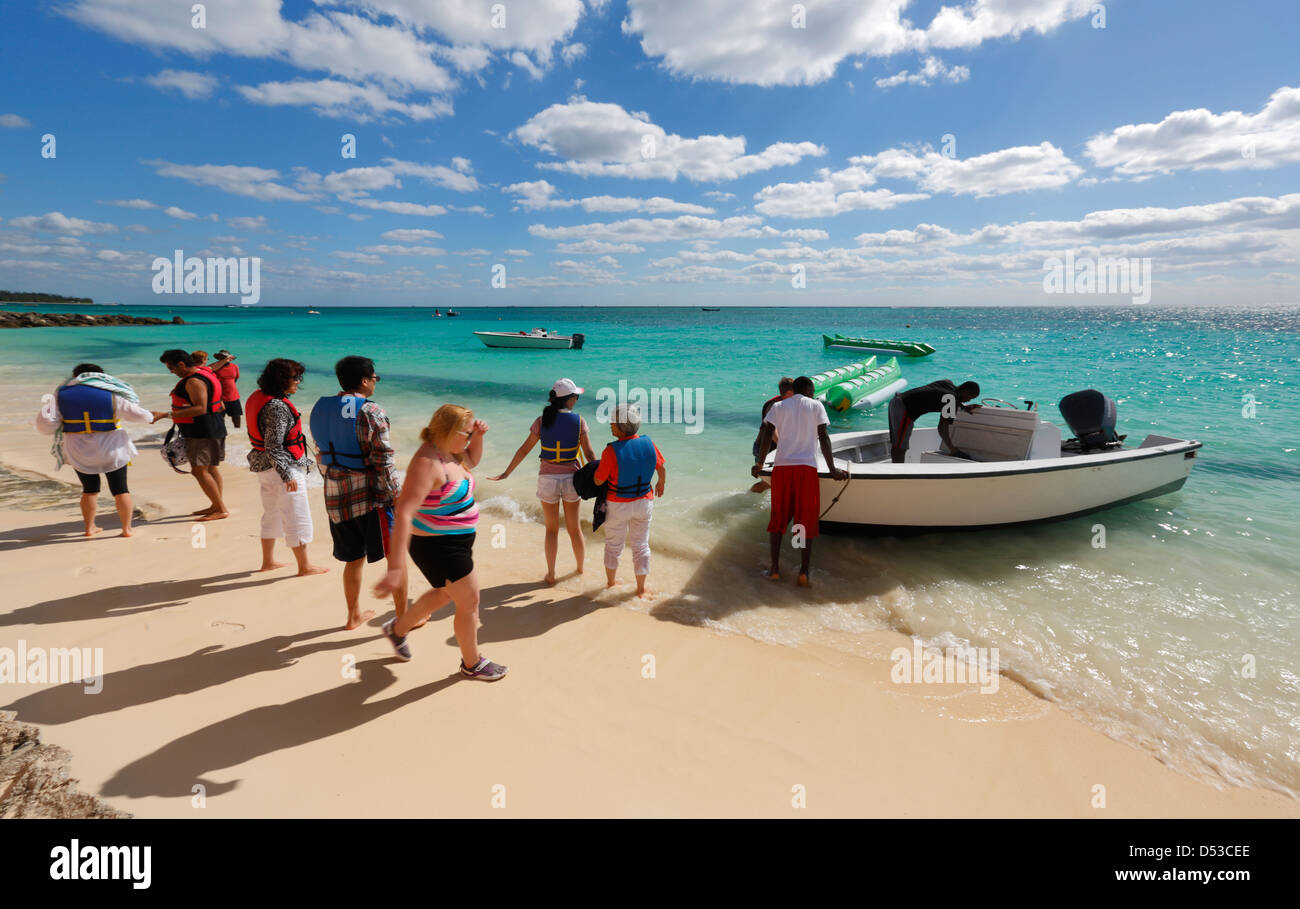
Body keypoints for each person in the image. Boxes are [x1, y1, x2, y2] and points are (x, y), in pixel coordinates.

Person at [376, 405, 507, 681]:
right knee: (470, 601)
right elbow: (403, 512)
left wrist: (479, 437)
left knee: (445, 593)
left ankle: (397, 629)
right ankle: (472, 663)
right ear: (450, 431)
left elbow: (473, 459)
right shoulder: (428, 463)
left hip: (455, 542)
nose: (470, 440)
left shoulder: (452, 452)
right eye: (467, 434)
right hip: (437, 547)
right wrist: (396, 569)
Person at [308, 356, 408, 631]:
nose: (375, 382)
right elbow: (384, 460)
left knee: (353, 559)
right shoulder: (370, 410)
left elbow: (320, 452)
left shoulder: (321, 407)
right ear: (364, 380)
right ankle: (404, 618)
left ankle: (352, 616)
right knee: (395, 558)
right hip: (371, 499)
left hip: (335, 496)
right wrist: (397, 496)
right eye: (375, 378)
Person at [34, 363, 168, 537]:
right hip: (112, 448)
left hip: (79, 450)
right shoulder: (111, 394)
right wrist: (154, 415)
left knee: (89, 489)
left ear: (75, 376)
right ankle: (126, 529)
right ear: (102, 377)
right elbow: (141, 416)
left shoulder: (59, 396)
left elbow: (44, 426)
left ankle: (89, 528)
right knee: (121, 489)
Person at [488, 378, 596, 584]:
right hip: (572, 479)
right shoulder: (579, 421)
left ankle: (551, 574)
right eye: (576, 396)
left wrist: (507, 472)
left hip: (547, 479)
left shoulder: (541, 420)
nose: (577, 399)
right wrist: (600, 478)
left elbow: (524, 449)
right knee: (575, 530)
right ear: (570, 400)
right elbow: (589, 454)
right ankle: (580, 570)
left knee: (552, 530)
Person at [751, 376, 848, 587]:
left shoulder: (778, 406)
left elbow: (767, 433)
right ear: (809, 389)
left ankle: (775, 570)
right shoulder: (816, 405)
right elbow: (823, 437)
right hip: (806, 470)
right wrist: (832, 469)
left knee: (778, 520)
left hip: (783, 469)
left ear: (794, 390)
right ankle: (803, 571)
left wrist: (760, 463)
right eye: (812, 390)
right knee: (803, 522)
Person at [246, 358, 327, 577]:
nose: (299, 382)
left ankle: (268, 561)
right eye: (295, 378)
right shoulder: (277, 407)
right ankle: (305, 567)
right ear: (282, 380)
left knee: (271, 513)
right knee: (296, 514)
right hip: (281, 469)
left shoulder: (258, 397)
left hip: (263, 466)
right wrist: (286, 474)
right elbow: (274, 445)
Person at [593, 404, 666, 599]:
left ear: (621, 427)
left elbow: (599, 480)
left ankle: (611, 583)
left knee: (613, 544)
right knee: (641, 545)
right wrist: (661, 484)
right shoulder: (649, 444)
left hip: (618, 503)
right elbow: (661, 468)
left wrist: (593, 476)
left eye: (613, 422)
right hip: (644, 502)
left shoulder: (611, 451)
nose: (610, 425)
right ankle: (641, 590)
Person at [159, 349, 229, 521]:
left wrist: (165, 415)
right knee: (211, 468)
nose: (171, 371)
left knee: (199, 471)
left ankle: (220, 509)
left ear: (181, 364)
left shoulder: (193, 382)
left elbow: (200, 408)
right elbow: (219, 403)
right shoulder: (206, 372)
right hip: (215, 427)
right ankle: (216, 505)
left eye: (172, 368)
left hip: (202, 432)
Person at [888, 379, 981, 463]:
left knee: (898, 444)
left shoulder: (947, 383)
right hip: (904, 408)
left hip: (897, 400)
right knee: (900, 447)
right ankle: (897, 474)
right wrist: (952, 449)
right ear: (965, 391)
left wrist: (962, 407)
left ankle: (895, 469)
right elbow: (942, 427)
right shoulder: (952, 401)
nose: (969, 400)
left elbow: (937, 393)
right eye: (970, 397)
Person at [750, 376, 794, 492]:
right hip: (765, 448)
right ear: (789, 393)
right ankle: (748, 497)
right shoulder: (774, 406)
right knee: (768, 482)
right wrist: (782, 445)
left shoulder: (786, 404)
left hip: (774, 447)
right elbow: (772, 430)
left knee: (773, 481)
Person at [210, 349, 242, 428]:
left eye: (224, 357)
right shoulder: (214, 367)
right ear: (218, 358)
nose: (223, 359)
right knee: (219, 418)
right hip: (219, 398)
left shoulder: (234, 367)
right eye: (221, 357)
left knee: (236, 417)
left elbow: (235, 379)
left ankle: (237, 432)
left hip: (233, 396)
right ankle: (221, 435)